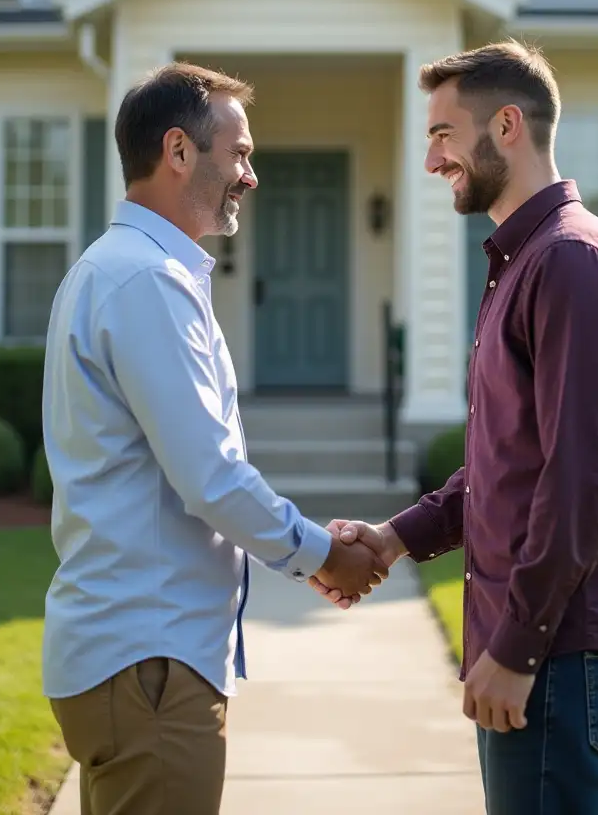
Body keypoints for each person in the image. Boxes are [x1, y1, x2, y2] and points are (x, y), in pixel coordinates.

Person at [316, 41, 598, 815]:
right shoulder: (526, 261)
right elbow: (506, 464)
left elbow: (582, 482)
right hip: (538, 642)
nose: (433, 160)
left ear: (506, 126)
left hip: (559, 648)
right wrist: (395, 537)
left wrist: (517, 646)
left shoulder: (571, 263)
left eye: (442, 134)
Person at [41, 62, 387, 815]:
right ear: (178, 152)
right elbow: (213, 478)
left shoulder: (117, 272)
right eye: (240, 153)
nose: (251, 176)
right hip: (149, 668)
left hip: (132, 661)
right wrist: (325, 555)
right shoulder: (146, 284)